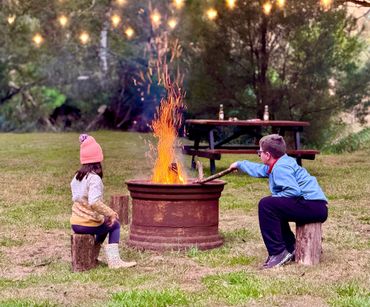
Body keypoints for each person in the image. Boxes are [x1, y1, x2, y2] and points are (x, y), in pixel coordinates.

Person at [229, 134, 328, 269]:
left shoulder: (281, 168)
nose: (259, 155)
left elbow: (293, 191)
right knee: (274, 205)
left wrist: (275, 197)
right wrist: (240, 164)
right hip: (315, 206)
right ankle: (290, 247)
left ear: (268, 155)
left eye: (260, 152)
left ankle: (278, 252)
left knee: (267, 205)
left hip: (313, 206)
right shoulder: (281, 162)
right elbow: (261, 170)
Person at [70, 134, 136, 269]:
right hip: (87, 223)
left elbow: (78, 198)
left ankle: (92, 256)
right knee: (115, 224)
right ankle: (114, 261)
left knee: (104, 225)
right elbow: (94, 202)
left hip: (76, 222)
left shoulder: (77, 177)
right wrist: (111, 213)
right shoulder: (94, 179)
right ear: (98, 161)